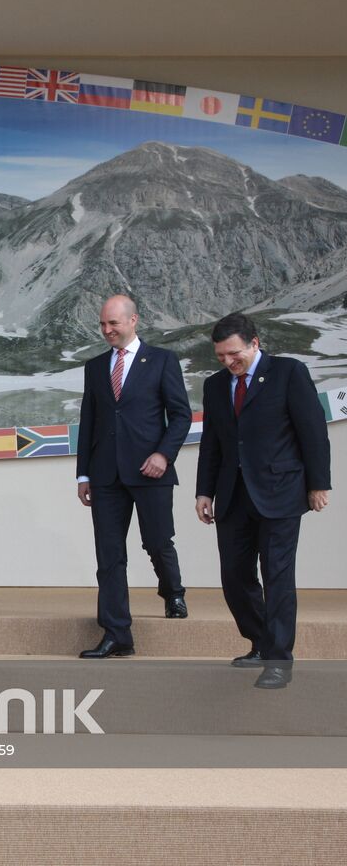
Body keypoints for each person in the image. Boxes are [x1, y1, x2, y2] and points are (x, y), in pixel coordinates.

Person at [195, 312, 331, 689]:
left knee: (277, 578)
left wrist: (319, 484)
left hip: (281, 493)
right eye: (220, 356)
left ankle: (277, 660)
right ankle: (260, 641)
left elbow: (313, 431)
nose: (227, 362)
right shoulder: (215, 386)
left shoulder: (289, 373)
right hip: (234, 497)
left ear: (254, 343)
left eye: (233, 354)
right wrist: (204, 491)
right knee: (234, 578)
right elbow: (213, 444)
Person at [75, 295, 192, 659]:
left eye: (114, 323)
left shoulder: (161, 360)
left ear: (134, 320)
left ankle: (172, 591)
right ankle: (116, 634)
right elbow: (89, 422)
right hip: (106, 474)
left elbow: (181, 415)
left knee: (157, 541)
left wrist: (163, 454)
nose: (108, 330)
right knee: (109, 555)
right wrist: (83, 474)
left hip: (151, 471)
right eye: (103, 325)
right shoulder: (95, 367)